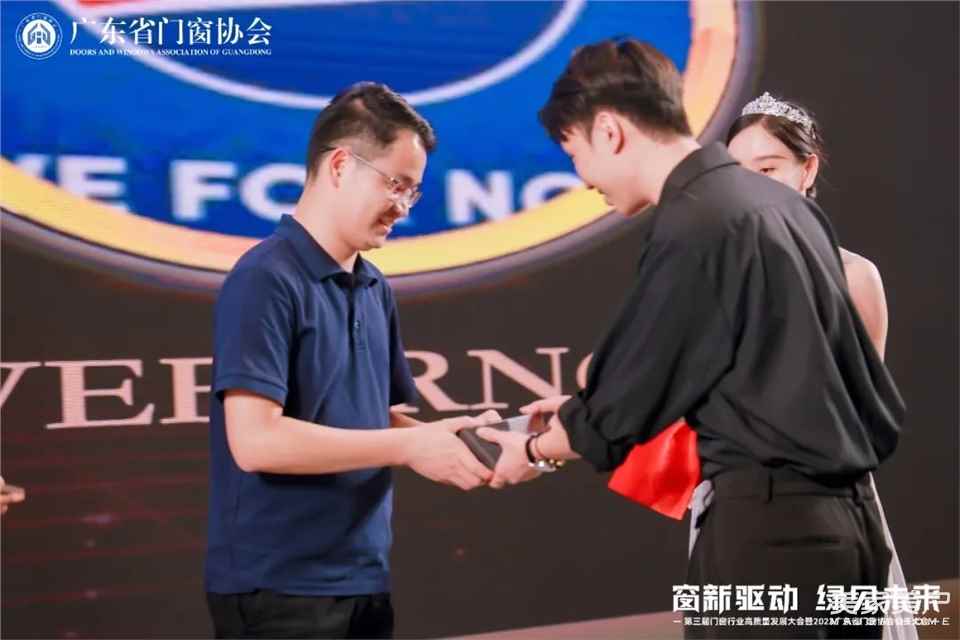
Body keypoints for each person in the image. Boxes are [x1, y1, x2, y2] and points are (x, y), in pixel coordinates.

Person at [479, 39, 905, 639]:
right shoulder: (779, 208)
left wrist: (534, 450)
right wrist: (586, 409)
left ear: (609, 131)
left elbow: (630, 390)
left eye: (574, 154)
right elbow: (736, 371)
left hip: (771, 540)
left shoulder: (699, 220)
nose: (583, 179)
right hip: (850, 534)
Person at [205, 82, 496, 639]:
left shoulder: (373, 285)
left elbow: (366, 420)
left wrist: (443, 437)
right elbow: (256, 441)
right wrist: (409, 446)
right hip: (278, 589)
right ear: (340, 165)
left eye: (413, 191)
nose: (403, 207)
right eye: (396, 184)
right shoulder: (264, 278)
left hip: (363, 577)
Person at [725, 92, 915, 640]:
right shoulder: (713, 276)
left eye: (769, 168)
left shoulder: (855, 277)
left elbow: (868, 414)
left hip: (827, 506)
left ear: (806, 169)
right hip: (736, 505)